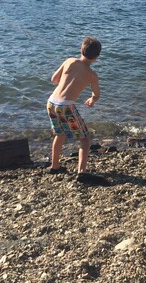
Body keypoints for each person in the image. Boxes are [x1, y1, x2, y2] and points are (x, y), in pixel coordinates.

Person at [46, 36, 104, 183]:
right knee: (85, 138)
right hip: (66, 106)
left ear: (81, 49)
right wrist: (92, 99)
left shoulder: (69, 61)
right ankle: (82, 172)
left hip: (51, 102)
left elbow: (54, 79)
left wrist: (65, 83)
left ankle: (55, 167)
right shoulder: (92, 75)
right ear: (97, 57)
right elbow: (96, 94)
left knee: (60, 134)